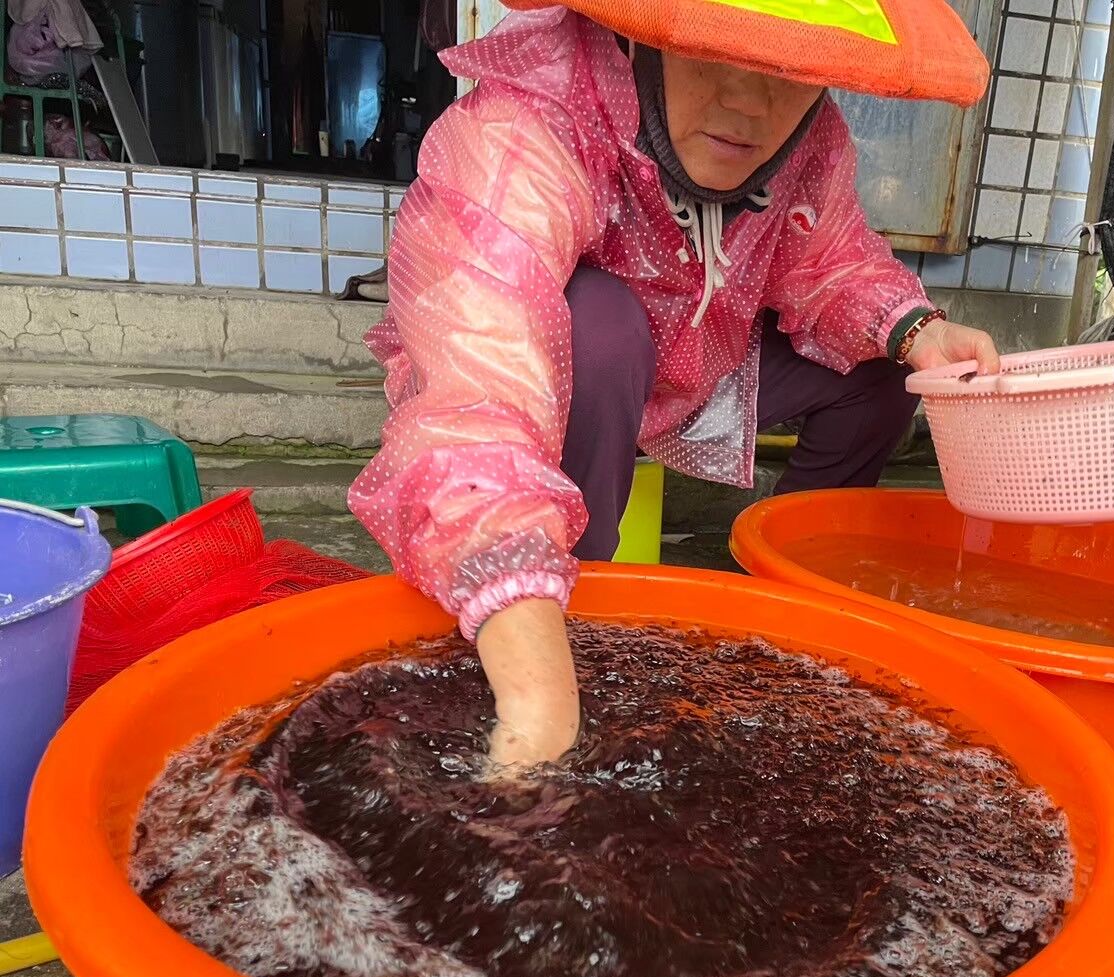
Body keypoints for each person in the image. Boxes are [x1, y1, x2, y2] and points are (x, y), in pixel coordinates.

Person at [349, 0, 1000, 769]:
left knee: (885, 374)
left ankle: (796, 599)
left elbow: (828, 262)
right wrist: (536, 694)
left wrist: (918, 331)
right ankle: (575, 598)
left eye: (785, 74)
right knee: (599, 319)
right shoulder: (530, 119)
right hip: (578, 371)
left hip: (709, 364)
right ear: (639, 33)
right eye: (711, 58)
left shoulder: (811, 137)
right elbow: (479, 376)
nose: (747, 105)